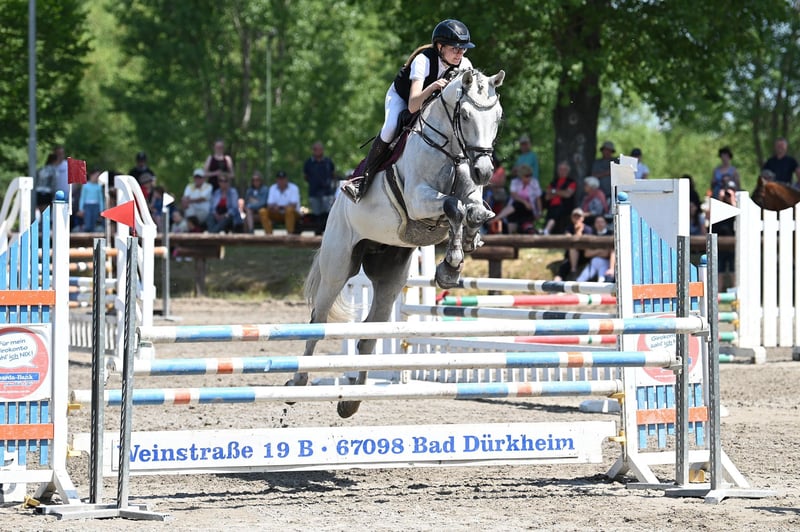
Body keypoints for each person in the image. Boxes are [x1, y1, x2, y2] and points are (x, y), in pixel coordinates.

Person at [341, 19, 475, 203]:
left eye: (463, 49)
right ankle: (362, 180)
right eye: (455, 49)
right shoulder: (423, 60)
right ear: (440, 46)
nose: (460, 53)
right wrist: (432, 87)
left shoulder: (465, 65)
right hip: (404, 98)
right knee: (390, 128)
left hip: (433, 104)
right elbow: (412, 106)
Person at [496, 163, 541, 234]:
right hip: (515, 210)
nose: (529, 178)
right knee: (516, 207)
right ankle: (511, 234)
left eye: (530, 175)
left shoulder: (534, 183)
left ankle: (498, 217)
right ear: (521, 176)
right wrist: (524, 202)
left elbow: (538, 198)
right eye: (526, 176)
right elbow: (514, 195)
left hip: (528, 210)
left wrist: (539, 212)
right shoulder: (515, 182)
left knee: (518, 205)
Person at [303, 141, 336, 234]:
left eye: (320, 149)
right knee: (316, 213)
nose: (318, 151)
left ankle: (328, 232)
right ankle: (317, 231)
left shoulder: (328, 162)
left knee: (327, 213)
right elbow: (305, 176)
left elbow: (333, 175)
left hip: (327, 192)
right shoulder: (308, 163)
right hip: (314, 191)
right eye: (316, 149)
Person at [554, 207, 594, 282]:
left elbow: (585, 244)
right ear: (571, 218)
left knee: (574, 248)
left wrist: (578, 231)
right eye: (575, 216)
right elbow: (569, 240)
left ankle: (573, 271)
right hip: (570, 256)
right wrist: (578, 232)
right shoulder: (569, 228)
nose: (577, 218)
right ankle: (555, 285)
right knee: (563, 269)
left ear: (583, 218)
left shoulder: (588, 229)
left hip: (584, 255)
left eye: (579, 216)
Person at [541, 160, 577, 235]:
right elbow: (547, 197)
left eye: (564, 170)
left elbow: (567, 194)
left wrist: (554, 191)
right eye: (560, 169)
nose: (562, 171)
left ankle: (546, 230)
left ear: (568, 171)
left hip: (564, 207)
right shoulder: (553, 182)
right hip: (551, 207)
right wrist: (560, 193)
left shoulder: (571, 182)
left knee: (555, 214)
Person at [576, 216, 615, 282]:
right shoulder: (592, 235)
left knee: (601, 281)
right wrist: (601, 251)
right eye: (597, 222)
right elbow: (587, 253)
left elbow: (607, 253)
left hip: (606, 263)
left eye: (601, 222)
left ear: (605, 223)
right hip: (593, 262)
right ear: (594, 224)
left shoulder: (610, 234)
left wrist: (594, 251)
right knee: (580, 280)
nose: (599, 224)